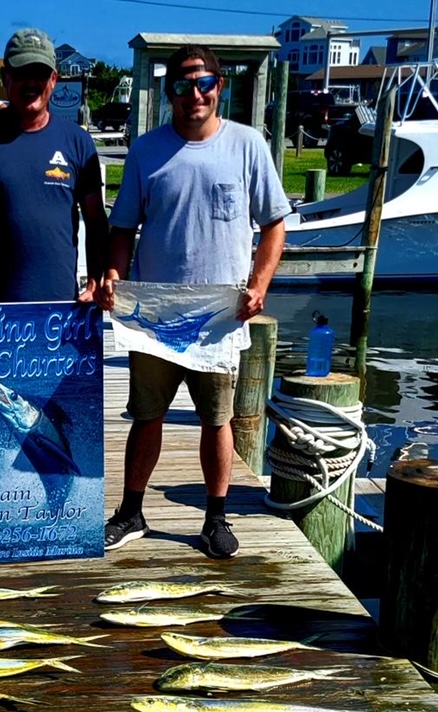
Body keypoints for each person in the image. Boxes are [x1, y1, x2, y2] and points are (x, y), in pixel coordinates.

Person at [100, 44, 290, 559]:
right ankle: (131, 510)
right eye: (183, 86)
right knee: (146, 415)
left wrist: (261, 284)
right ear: (169, 92)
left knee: (217, 418)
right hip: (156, 314)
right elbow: (123, 228)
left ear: (219, 86)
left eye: (203, 83)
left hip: (218, 316)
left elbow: (274, 224)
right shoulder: (146, 150)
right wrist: (115, 274)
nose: (194, 94)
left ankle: (216, 517)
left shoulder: (248, 145)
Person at [0, 27, 108, 305]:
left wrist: (95, 279)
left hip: (61, 309)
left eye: (40, 74)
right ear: (5, 78)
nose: (31, 83)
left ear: (54, 79)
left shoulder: (78, 141)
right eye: (21, 74)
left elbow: (95, 220)